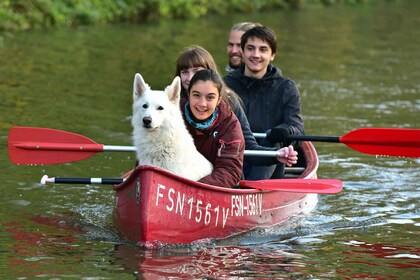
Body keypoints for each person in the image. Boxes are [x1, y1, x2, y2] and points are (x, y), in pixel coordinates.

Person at [174, 45, 298, 180]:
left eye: (197, 70)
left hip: (220, 177)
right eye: (184, 71)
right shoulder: (168, 105)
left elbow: (248, 145)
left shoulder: (229, 106)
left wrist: (276, 154)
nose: (190, 77)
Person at [224, 25, 304, 179]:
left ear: (272, 55)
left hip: (271, 159)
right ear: (243, 51)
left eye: (263, 49)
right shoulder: (225, 85)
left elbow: (297, 128)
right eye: (250, 48)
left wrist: (285, 130)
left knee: (274, 144)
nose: (256, 54)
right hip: (234, 155)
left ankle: (249, 191)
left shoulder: (286, 87)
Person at [181, 69, 244, 187]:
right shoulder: (171, 113)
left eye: (210, 97)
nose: (202, 103)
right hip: (171, 184)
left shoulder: (230, 126)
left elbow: (229, 170)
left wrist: (194, 188)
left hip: (207, 189)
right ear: (188, 95)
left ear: (219, 100)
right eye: (196, 95)